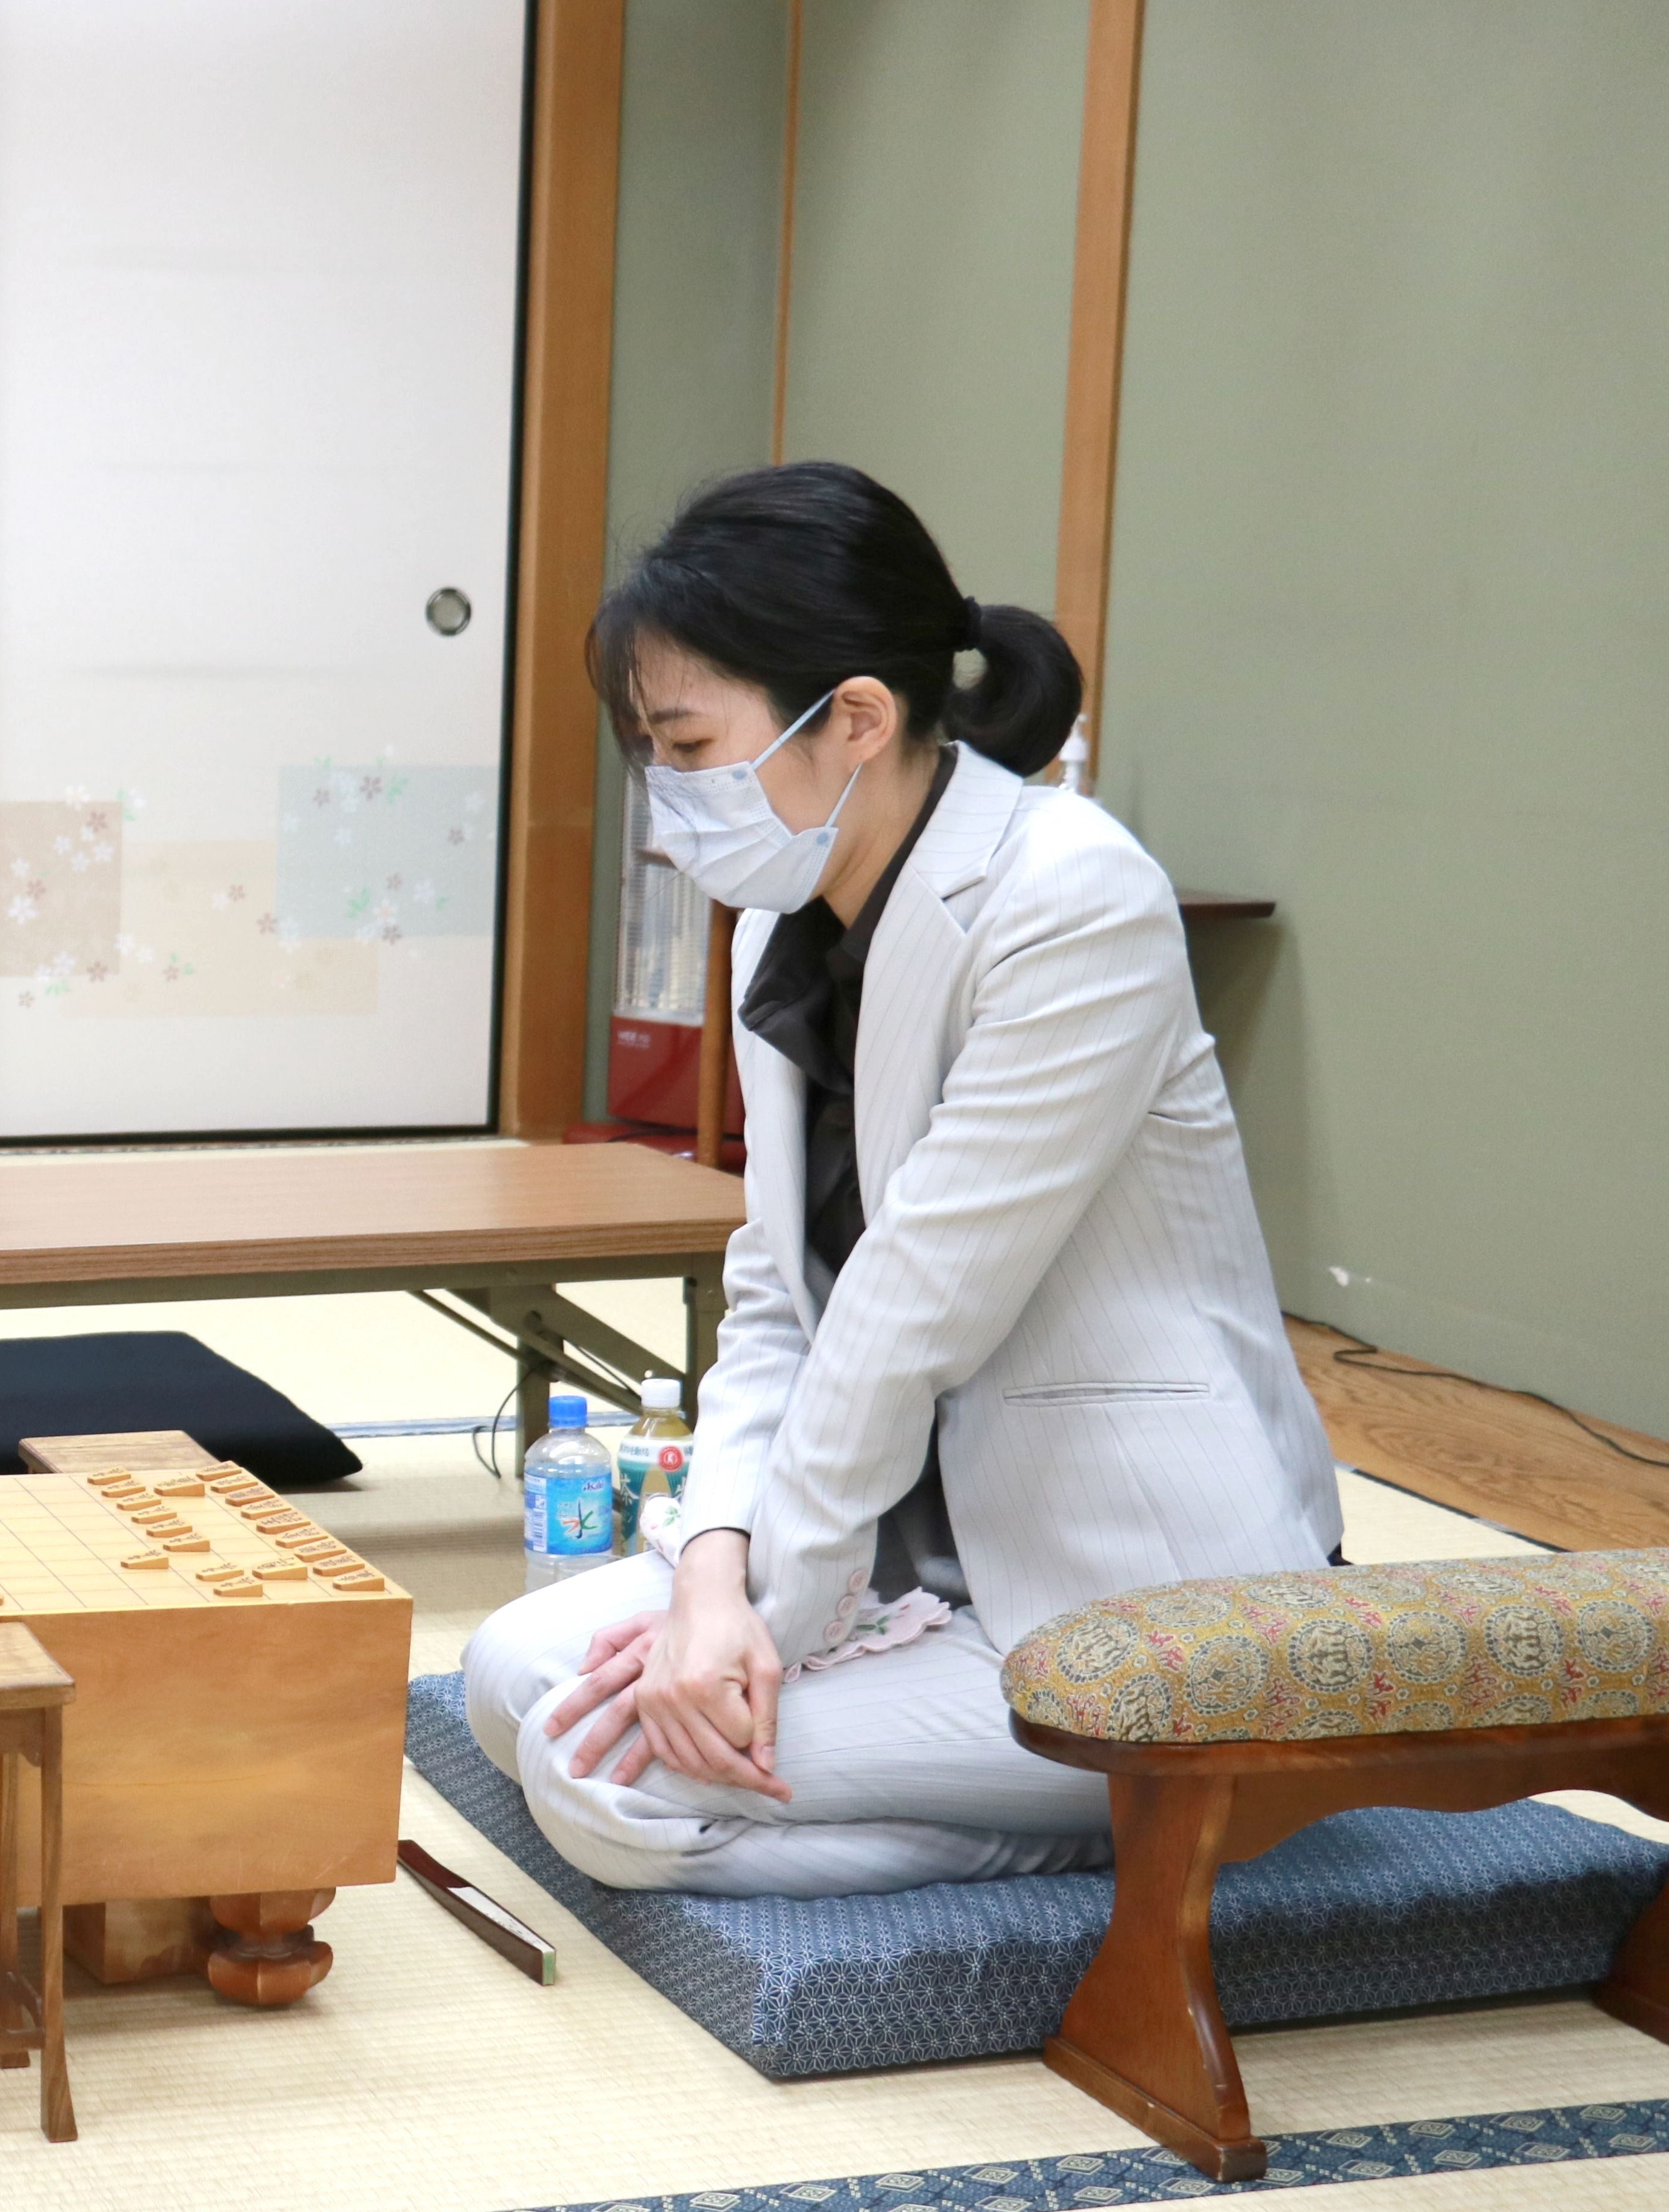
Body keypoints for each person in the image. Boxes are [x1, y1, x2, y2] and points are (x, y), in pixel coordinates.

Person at [461, 462, 1338, 1899]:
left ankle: (1149, 1820)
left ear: (857, 718)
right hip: (901, 1557)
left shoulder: (1073, 897)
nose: (670, 799)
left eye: (689, 747)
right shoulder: (784, 921)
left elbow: (909, 1310)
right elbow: (774, 1300)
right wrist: (708, 1571)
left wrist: (766, 1622)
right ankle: (1053, 1816)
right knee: (509, 1672)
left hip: (1122, 1584)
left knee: (611, 1774)